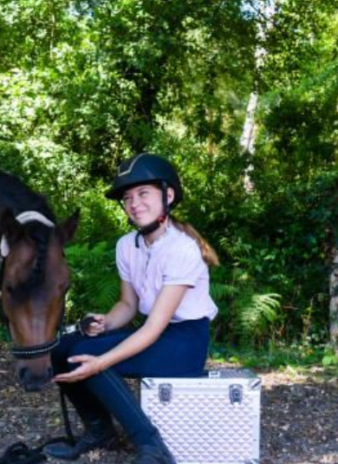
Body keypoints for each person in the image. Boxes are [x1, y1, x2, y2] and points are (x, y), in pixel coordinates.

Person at [44, 154, 219, 464]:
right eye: (127, 198)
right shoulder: (127, 245)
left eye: (143, 194)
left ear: (168, 195)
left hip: (185, 342)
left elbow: (153, 327)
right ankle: (100, 432)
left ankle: (153, 447)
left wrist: (101, 361)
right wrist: (105, 323)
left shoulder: (182, 249)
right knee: (63, 348)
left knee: (94, 360)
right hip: (153, 333)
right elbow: (127, 305)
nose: (133, 203)